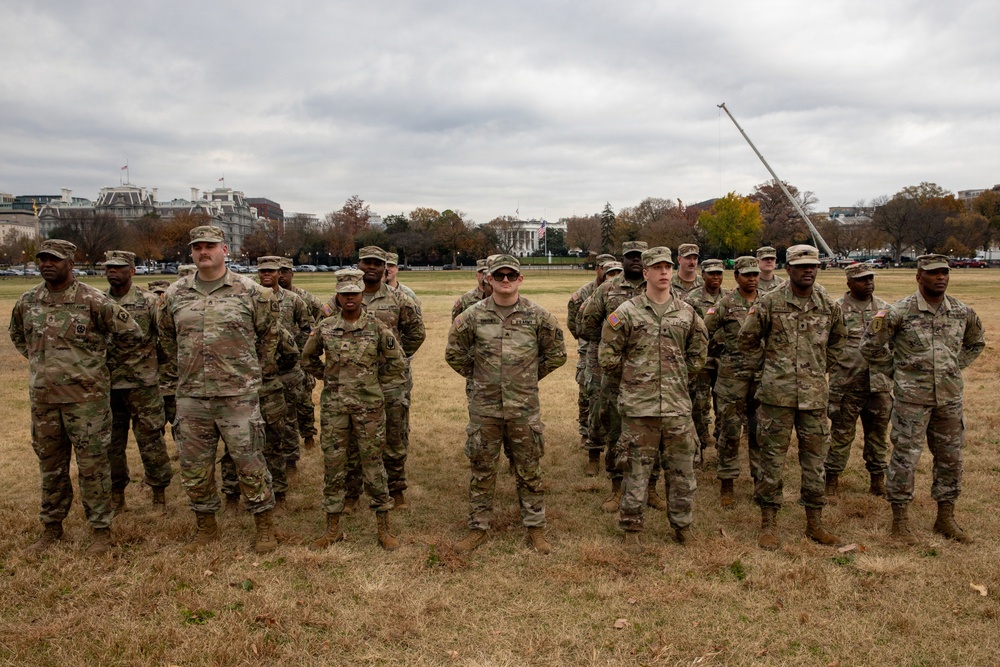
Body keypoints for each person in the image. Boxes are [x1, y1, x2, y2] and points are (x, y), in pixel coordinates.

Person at [10, 239, 140, 554]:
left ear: (71, 263)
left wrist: (97, 366)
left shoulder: (93, 300)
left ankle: (100, 531)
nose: (46, 264)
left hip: (87, 404)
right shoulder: (28, 301)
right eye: (42, 259)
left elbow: (131, 334)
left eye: (53, 259)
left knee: (93, 467)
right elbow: (18, 335)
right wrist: (44, 364)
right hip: (44, 402)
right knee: (51, 467)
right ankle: (51, 529)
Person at [158, 225, 280, 554]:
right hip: (192, 397)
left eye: (210, 245)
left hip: (237, 397)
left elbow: (269, 335)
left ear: (225, 249)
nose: (203, 251)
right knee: (194, 467)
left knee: (250, 463)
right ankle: (205, 526)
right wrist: (188, 368)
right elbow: (167, 338)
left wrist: (253, 370)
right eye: (197, 246)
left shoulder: (250, 291)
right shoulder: (175, 294)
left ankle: (264, 526)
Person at [446, 254, 566, 554]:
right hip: (485, 408)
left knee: (529, 469)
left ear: (520, 279)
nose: (505, 281)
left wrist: (528, 376)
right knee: (482, 469)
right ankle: (478, 528)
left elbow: (557, 352)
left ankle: (535, 528)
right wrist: (481, 377)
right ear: (489, 279)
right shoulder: (472, 316)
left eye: (511, 275)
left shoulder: (537, 315)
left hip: (523, 408)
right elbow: (454, 353)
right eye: (499, 276)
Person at [860, 254, 985, 544]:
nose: (940, 277)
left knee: (951, 459)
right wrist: (898, 371)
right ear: (919, 277)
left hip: (949, 400)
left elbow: (976, 341)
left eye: (944, 272)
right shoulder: (898, 312)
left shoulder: (960, 311)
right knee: (905, 459)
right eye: (933, 273)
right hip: (911, 401)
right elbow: (870, 347)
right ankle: (900, 521)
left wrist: (953, 365)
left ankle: (945, 517)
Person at [738, 244, 847, 550]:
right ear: (789, 269)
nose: (808, 270)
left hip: (814, 399)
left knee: (814, 463)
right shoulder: (770, 302)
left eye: (813, 265)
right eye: (802, 266)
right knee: (771, 461)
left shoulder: (828, 303)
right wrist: (769, 368)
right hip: (777, 398)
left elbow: (839, 340)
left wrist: (821, 367)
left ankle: (815, 523)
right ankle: (769, 523)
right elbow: (747, 339)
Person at [599, 247, 707, 547]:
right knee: (636, 471)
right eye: (656, 267)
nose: (663, 272)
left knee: (682, 472)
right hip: (638, 408)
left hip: (676, 408)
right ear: (644, 272)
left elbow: (699, 353)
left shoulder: (686, 312)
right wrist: (636, 376)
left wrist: (677, 375)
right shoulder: (627, 313)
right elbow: (607, 356)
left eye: (667, 267)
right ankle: (631, 529)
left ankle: (682, 526)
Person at [303, 269, 407, 551]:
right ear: (337, 296)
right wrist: (327, 376)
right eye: (344, 293)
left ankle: (383, 528)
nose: (350, 298)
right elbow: (307, 357)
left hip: (369, 408)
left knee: (373, 464)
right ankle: (332, 528)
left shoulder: (376, 328)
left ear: (362, 294)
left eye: (354, 293)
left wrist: (373, 383)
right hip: (335, 408)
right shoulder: (325, 328)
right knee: (334, 465)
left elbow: (397, 362)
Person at [322, 246, 425, 510]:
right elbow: (323, 332)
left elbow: (416, 333)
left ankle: (395, 487)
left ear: (385, 267)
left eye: (377, 264)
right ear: (358, 265)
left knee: (394, 435)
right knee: (354, 439)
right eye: (366, 263)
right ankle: (352, 493)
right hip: (352, 383)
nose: (371, 267)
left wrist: (394, 363)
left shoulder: (400, 299)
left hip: (390, 383)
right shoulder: (338, 300)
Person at [581, 242, 666, 513]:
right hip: (617, 379)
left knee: (655, 436)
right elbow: (588, 324)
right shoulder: (607, 290)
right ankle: (617, 489)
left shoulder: (660, 289)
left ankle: (651, 488)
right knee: (616, 434)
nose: (636, 262)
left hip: (653, 380)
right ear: (623, 259)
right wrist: (611, 348)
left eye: (641, 258)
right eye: (630, 257)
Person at [102, 250, 174, 513]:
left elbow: (166, 338)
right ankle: (117, 495)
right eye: (109, 267)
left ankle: (159, 494)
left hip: (143, 385)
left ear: (132, 271)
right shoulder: (98, 301)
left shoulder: (148, 301)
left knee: (151, 440)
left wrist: (153, 365)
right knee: (111, 444)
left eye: (119, 268)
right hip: (108, 386)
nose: (112, 271)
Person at [824, 263, 892, 499]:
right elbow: (825, 345)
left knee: (878, 437)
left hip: (879, 386)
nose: (868, 283)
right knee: (841, 435)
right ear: (849, 283)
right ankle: (831, 479)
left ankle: (877, 480)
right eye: (862, 279)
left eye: (871, 278)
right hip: (846, 385)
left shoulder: (885, 309)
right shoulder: (836, 310)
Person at [704, 257, 764, 507]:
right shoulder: (725, 304)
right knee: (729, 432)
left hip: (762, 379)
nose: (752, 279)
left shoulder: (768, 302)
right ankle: (727, 483)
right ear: (736, 276)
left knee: (760, 432)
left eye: (755, 274)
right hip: (731, 380)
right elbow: (703, 331)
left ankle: (761, 482)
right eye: (747, 275)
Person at [257, 256, 314, 473]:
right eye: (263, 271)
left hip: (288, 370)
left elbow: (309, 328)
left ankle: (291, 461)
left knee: (289, 417)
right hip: (260, 371)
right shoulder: (249, 298)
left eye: (273, 271)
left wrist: (295, 351)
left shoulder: (293, 299)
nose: (269, 275)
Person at [568, 253, 616, 474]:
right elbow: (579, 325)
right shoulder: (589, 296)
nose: (613, 278)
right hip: (595, 352)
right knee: (594, 400)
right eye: (609, 273)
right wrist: (597, 341)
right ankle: (593, 449)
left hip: (621, 358)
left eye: (617, 274)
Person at [684, 258, 727, 460]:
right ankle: (699, 446)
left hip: (725, 362)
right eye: (711, 273)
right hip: (702, 361)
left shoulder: (729, 298)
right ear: (703, 275)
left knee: (724, 406)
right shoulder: (691, 299)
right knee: (699, 405)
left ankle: (722, 445)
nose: (716, 277)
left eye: (719, 273)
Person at [277, 257, 322, 448]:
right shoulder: (260, 295)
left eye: (285, 272)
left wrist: (311, 337)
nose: (281, 276)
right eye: (277, 271)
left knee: (304, 399)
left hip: (299, 357)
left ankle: (308, 434)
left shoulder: (302, 296)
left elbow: (325, 310)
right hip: (276, 359)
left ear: (292, 274)